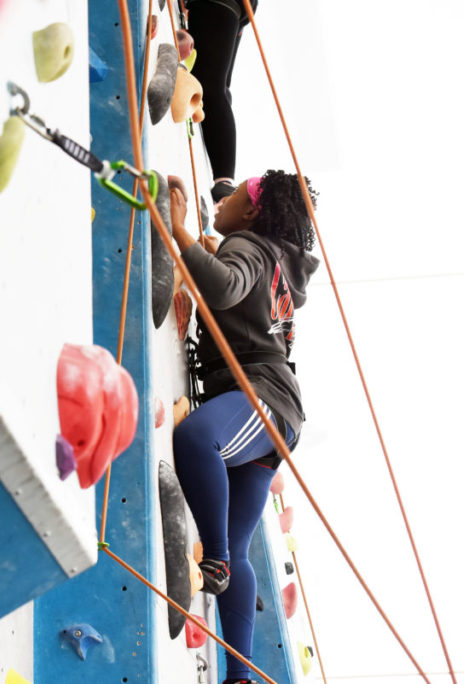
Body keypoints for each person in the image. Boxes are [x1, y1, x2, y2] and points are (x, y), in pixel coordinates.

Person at [168, 170, 319, 684]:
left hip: (260, 399)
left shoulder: (248, 245)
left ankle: (215, 560)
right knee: (240, 540)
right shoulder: (274, 262)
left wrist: (179, 229)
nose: (224, 200)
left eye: (232, 196)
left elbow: (227, 286)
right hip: (274, 413)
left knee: (196, 438)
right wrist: (211, 250)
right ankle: (239, 677)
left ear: (252, 213)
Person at [184, 0, 259, 203]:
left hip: (223, 5)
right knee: (217, 87)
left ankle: (224, 180)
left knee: (210, 86)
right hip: (236, 9)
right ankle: (224, 180)